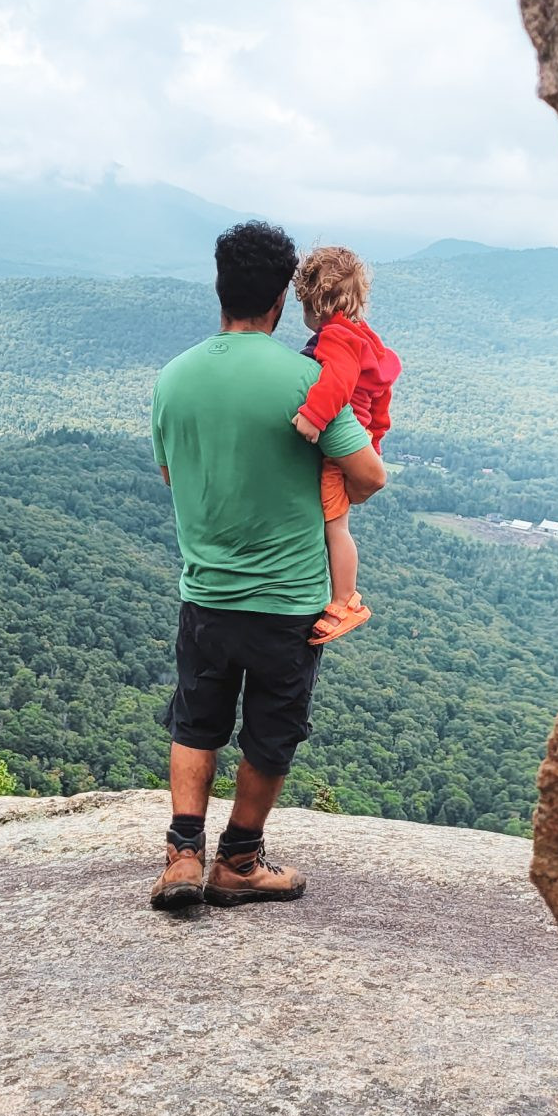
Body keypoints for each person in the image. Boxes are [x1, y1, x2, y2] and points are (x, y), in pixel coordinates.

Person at [148, 220, 387, 914]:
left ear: (219, 290)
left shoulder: (173, 379)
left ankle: (183, 855)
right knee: (271, 731)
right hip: (288, 602)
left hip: (207, 593)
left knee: (196, 718)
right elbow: (369, 475)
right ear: (282, 300)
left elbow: (173, 475)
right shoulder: (307, 381)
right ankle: (240, 863)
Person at [289, 244, 402, 645]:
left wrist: (314, 417)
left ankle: (344, 601)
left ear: (315, 305)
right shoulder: (365, 339)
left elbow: (337, 380)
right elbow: (380, 402)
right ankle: (343, 597)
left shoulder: (335, 338)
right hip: (356, 442)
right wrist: (373, 441)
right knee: (338, 524)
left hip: (337, 450)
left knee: (335, 526)